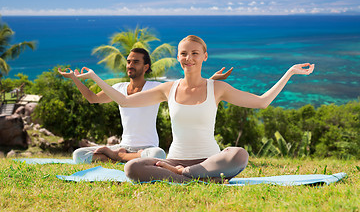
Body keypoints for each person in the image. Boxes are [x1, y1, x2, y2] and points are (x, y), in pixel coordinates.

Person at [73, 35, 315, 182]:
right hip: (175, 158)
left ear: (205, 56)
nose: (188, 58)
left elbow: (262, 102)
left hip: (210, 159)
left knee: (239, 154)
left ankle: (185, 175)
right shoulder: (168, 89)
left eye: (194, 53)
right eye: (183, 53)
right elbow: (124, 101)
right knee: (132, 167)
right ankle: (193, 176)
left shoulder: (217, 88)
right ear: (178, 57)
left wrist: (290, 72)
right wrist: (94, 77)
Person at [58, 48, 233, 164]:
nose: (130, 65)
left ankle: (116, 157)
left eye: (135, 62)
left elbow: (187, 89)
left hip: (147, 149)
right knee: (78, 155)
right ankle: (120, 155)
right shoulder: (118, 89)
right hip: (124, 146)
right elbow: (92, 98)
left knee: (158, 155)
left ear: (146, 66)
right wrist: (74, 78)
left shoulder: (155, 88)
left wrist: (212, 80)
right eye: (128, 61)